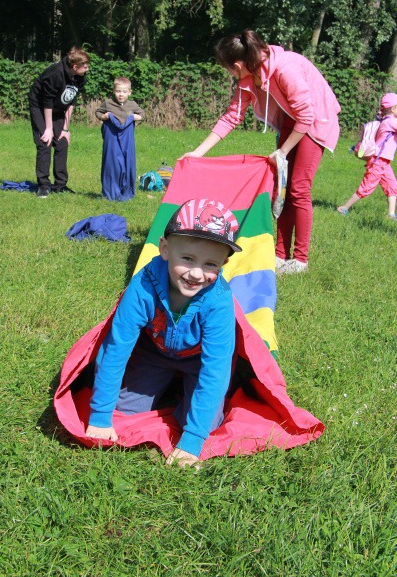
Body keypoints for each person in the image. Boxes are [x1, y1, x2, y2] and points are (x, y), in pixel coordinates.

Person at [85, 198, 241, 467]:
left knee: (207, 425)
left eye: (210, 264)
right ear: (165, 249)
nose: (196, 274)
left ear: (223, 263)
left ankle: (185, 399)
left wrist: (193, 439)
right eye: (188, 259)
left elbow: (216, 369)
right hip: (154, 355)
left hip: (197, 363)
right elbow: (116, 348)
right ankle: (167, 388)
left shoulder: (219, 301)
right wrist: (100, 415)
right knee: (125, 412)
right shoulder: (144, 285)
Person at [181, 29, 341, 275]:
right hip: (292, 120)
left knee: (299, 188)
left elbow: (307, 116)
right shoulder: (249, 76)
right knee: (282, 189)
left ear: (237, 65)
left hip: (316, 121)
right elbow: (231, 117)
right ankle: (280, 254)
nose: (230, 74)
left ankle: (300, 260)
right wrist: (198, 152)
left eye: (228, 69)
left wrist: (283, 151)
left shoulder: (285, 69)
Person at [29, 47, 90, 198]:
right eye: (85, 66)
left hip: (58, 107)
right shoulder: (55, 73)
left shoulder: (80, 76)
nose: (87, 69)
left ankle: (60, 185)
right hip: (40, 106)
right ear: (75, 66)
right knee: (45, 141)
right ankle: (43, 185)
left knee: (62, 141)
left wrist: (65, 129)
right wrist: (48, 128)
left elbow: (71, 100)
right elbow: (47, 101)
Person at [337, 93, 397, 219]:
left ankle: (390, 214)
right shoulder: (390, 122)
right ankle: (344, 208)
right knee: (367, 187)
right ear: (393, 109)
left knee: (392, 186)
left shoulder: (388, 121)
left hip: (384, 162)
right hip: (378, 161)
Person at [95, 77, 144, 201]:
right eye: (118, 91)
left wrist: (134, 117)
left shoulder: (132, 104)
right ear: (114, 91)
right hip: (112, 135)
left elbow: (142, 115)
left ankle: (126, 190)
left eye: (124, 91)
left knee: (126, 161)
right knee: (112, 162)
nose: (121, 94)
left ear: (129, 92)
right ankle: (110, 192)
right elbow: (98, 112)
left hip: (127, 137)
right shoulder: (108, 103)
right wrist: (104, 117)